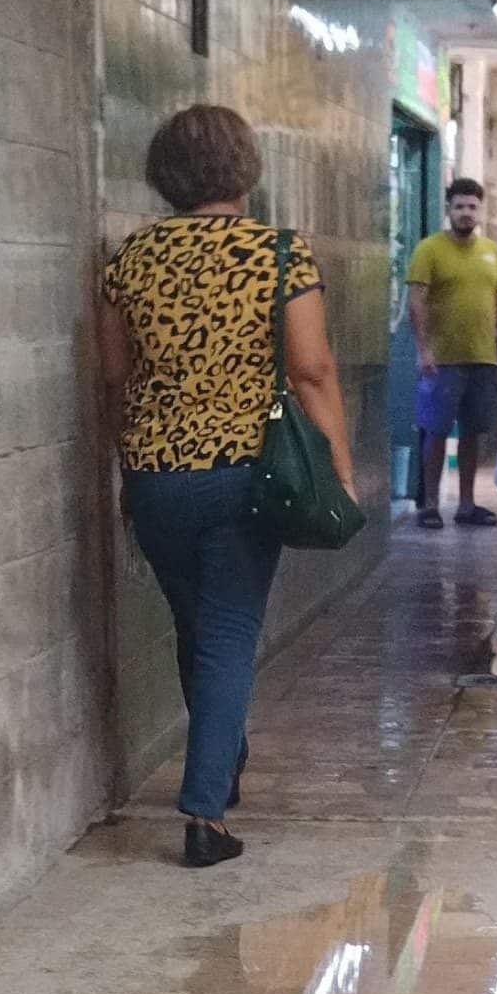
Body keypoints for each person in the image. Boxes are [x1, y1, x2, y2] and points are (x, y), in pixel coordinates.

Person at [98, 103, 356, 869]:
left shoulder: (130, 259)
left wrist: (124, 469)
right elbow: (311, 369)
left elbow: (114, 376)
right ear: (244, 168)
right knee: (231, 634)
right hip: (244, 475)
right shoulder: (277, 254)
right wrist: (339, 466)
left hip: (155, 477)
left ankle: (223, 758)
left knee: (197, 627)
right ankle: (204, 814)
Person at [406, 174, 497, 529]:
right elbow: (416, 303)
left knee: (472, 434)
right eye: (459, 207)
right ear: (449, 211)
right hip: (442, 360)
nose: (466, 213)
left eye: (472, 207)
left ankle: (467, 505)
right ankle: (431, 504)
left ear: (480, 211)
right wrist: (424, 350)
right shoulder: (429, 249)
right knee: (436, 432)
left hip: (483, 358)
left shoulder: (491, 252)